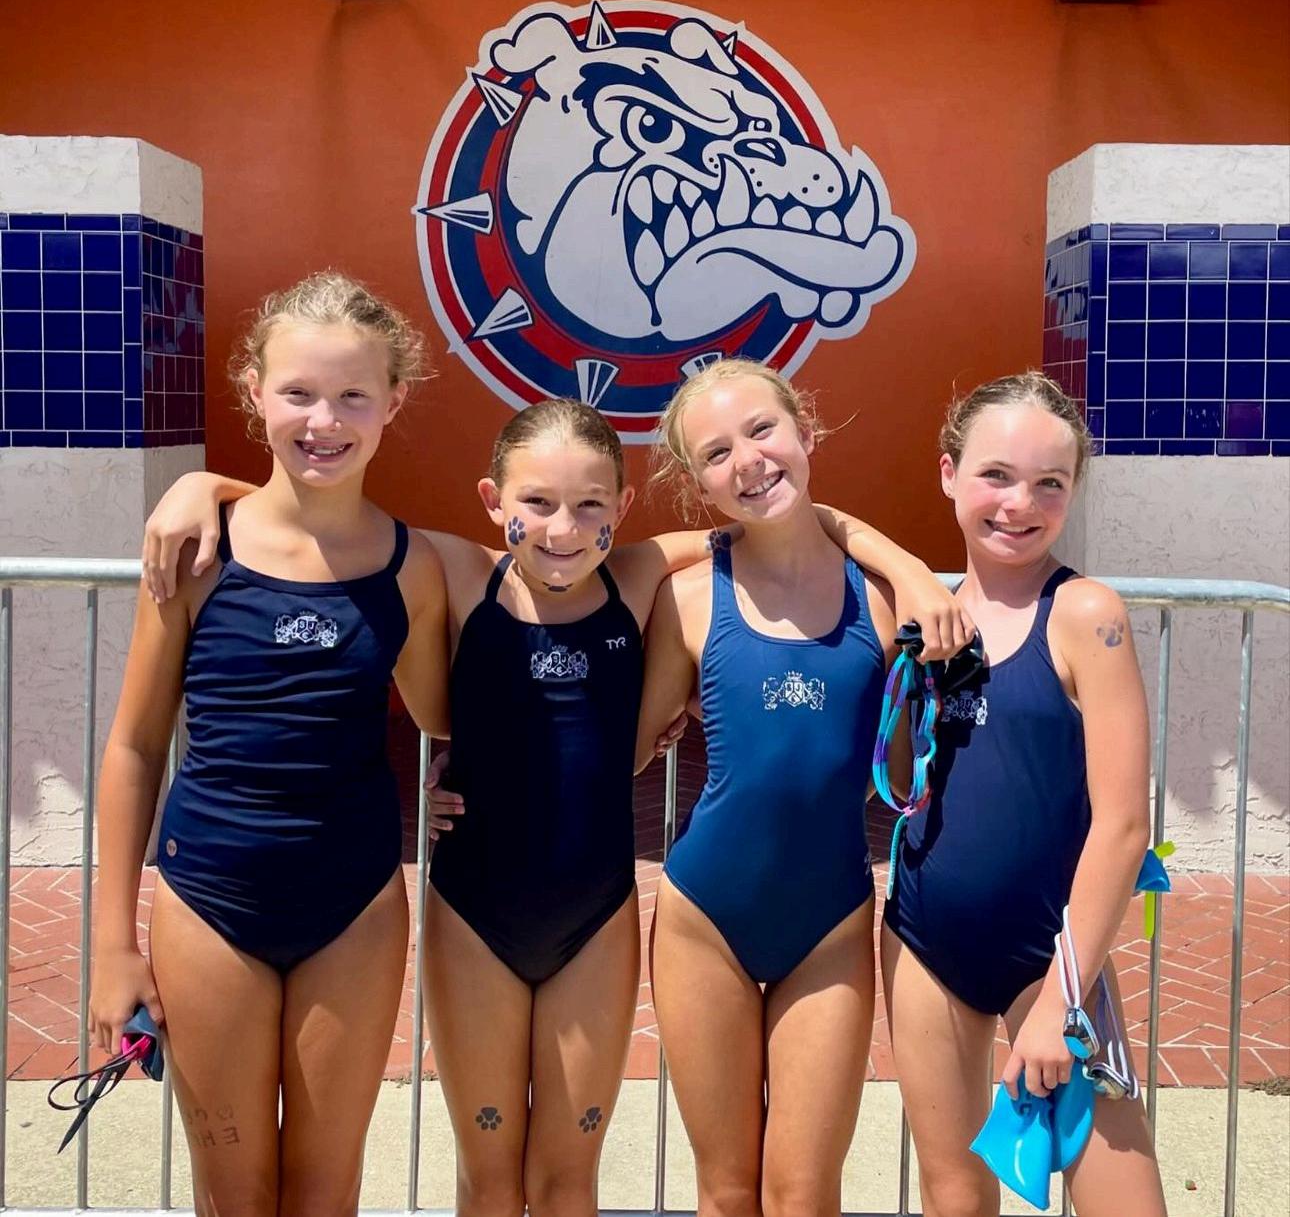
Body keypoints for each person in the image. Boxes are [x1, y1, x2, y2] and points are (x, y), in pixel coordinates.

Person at [142, 396, 965, 1217]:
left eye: (589, 505)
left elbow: (785, 519)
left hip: (593, 924)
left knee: (569, 1185)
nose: (563, 528)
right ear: (492, 499)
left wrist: (901, 565)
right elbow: (326, 513)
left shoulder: (635, 578)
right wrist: (205, 488)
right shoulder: (457, 572)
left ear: (623, 506)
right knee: (490, 1183)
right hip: (474, 918)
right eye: (535, 502)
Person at [89, 272, 450, 1216]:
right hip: (209, 902)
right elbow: (134, 745)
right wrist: (112, 943)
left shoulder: (413, 569)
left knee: (325, 1192)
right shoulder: (194, 553)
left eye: (352, 395)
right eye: (298, 392)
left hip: (355, 909)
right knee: (234, 1194)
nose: (323, 419)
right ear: (254, 391)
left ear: (393, 402)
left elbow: (446, 713)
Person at [881, 372, 1167, 1217]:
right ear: (948, 474)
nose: (1020, 503)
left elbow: (1124, 826)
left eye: (1050, 482)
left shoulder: (1084, 613)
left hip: (1056, 956)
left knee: (1127, 1204)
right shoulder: (927, 624)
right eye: (996, 475)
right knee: (956, 1199)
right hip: (923, 943)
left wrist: (1060, 1002)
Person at [633, 358, 904, 1217]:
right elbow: (624, 751)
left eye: (762, 430)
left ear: (804, 430)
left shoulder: (886, 600)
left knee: (802, 1194)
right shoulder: (687, 598)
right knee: (726, 1191)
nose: (747, 460)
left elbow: (905, 775)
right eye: (716, 453)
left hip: (829, 924)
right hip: (704, 920)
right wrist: (470, 768)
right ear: (698, 485)